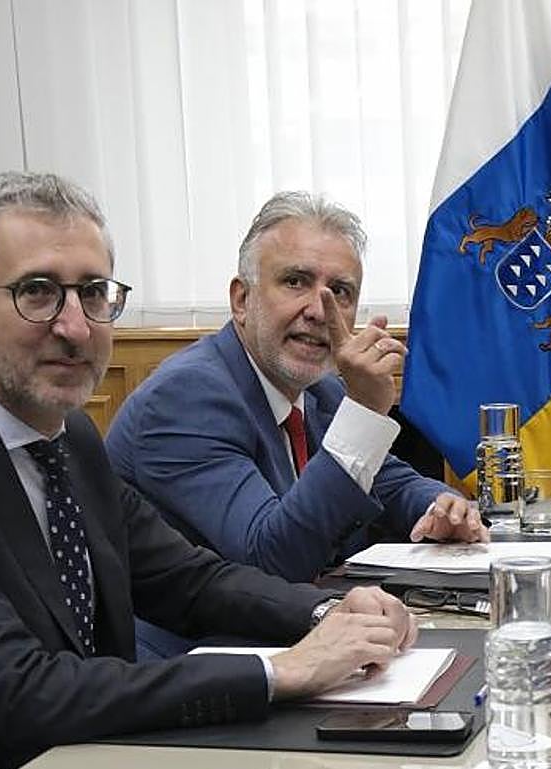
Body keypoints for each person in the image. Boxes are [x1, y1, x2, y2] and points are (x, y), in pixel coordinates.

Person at [0, 172, 416, 769]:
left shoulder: (68, 438)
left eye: (94, 293)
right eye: (38, 293)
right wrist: (280, 670)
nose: (76, 327)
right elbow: (25, 691)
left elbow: (191, 582)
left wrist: (328, 615)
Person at [106, 191, 486, 585]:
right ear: (241, 299)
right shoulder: (185, 398)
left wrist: (445, 508)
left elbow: (393, 483)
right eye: (294, 281)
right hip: (206, 641)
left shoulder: (324, 392)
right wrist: (364, 414)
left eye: (339, 292)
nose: (320, 311)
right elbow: (270, 560)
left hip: (306, 625)